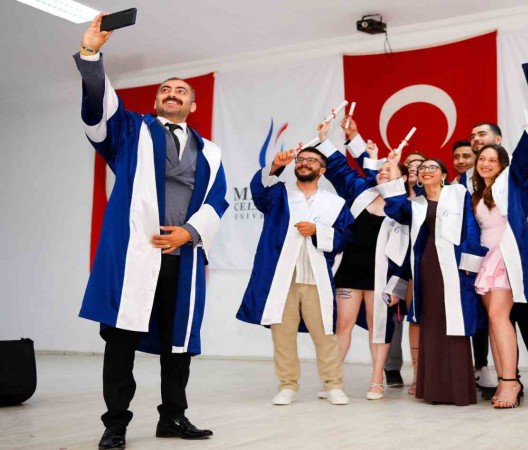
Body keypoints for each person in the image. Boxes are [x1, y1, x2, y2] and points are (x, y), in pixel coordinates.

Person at [75, 15, 228, 450]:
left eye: (181, 91)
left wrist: (189, 233)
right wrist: (91, 55)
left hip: (182, 258)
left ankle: (173, 417)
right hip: (134, 257)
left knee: (178, 343)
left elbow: (217, 200)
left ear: (192, 105)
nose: (172, 93)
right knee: (121, 341)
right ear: (157, 100)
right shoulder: (130, 131)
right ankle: (116, 424)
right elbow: (98, 108)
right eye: (165, 89)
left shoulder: (211, 152)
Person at [236, 147, 353, 407]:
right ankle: (287, 385)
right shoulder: (279, 194)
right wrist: (275, 167)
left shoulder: (335, 203)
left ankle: (333, 385)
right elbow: (258, 193)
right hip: (283, 276)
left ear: (322, 170)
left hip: (316, 277)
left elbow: (346, 237)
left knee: (325, 334)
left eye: (312, 160)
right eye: (301, 160)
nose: (304, 163)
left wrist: (318, 231)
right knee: (283, 334)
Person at [381, 153, 488, 406]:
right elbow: (394, 206)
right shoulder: (416, 204)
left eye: (433, 167)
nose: (426, 170)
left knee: (455, 322)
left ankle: (458, 389)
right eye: (423, 168)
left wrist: (470, 266)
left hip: (455, 266)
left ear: (444, 175)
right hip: (427, 265)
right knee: (431, 321)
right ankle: (433, 389)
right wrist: (394, 167)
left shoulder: (458, 193)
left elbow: (470, 228)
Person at [471, 96, 528, 408]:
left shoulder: (512, 181)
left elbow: (523, 155)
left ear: (502, 164)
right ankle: (506, 379)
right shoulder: (475, 192)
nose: (486, 163)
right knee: (495, 322)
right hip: (485, 261)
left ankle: (511, 382)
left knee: (499, 317)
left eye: (492, 159)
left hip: (508, 258)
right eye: (482, 159)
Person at [318, 121, 410, 400]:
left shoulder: (404, 206)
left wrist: (397, 287)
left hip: (381, 277)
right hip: (349, 271)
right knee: (342, 325)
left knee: (378, 327)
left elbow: (406, 252)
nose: (382, 172)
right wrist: (324, 140)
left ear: (402, 178)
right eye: (380, 170)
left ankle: (376, 381)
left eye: (389, 170)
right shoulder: (360, 192)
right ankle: (333, 381)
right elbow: (339, 169)